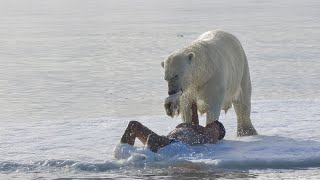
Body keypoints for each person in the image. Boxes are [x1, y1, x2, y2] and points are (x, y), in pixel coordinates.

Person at [119, 103, 225, 153]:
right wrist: (193, 106)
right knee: (134, 125)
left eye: (214, 123)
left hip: (175, 145)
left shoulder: (213, 133)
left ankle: (145, 160)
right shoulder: (197, 129)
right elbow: (194, 125)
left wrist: (215, 127)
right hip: (167, 141)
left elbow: (211, 135)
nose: (211, 123)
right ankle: (123, 154)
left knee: (152, 139)